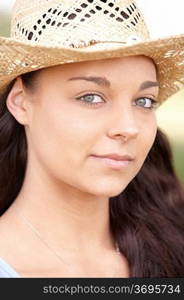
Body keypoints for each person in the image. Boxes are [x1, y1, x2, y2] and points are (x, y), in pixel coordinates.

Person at [0, 0, 184, 278]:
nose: (128, 127)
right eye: (90, 97)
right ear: (21, 102)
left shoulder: (172, 251)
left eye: (144, 101)